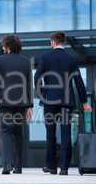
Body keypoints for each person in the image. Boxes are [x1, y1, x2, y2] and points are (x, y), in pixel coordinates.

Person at [34, 32, 92, 175]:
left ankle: (51, 166)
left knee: (51, 134)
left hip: (49, 101)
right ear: (63, 43)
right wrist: (84, 102)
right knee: (66, 134)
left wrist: (43, 92)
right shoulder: (71, 58)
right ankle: (64, 168)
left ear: (53, 42)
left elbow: (37, 77)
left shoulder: (45, 57)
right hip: (66, 101)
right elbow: (79, 81)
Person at [0, 35, 33, 175]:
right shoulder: (26, 61)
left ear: (7, 46)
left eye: (3, 46)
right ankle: (18, 166)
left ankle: (7, 165)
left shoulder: (0, 60)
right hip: (21, 103)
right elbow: (29, 85)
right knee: (18, 133)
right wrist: (30, 106)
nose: (2, 48)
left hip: (5, 103)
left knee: (6, 132)